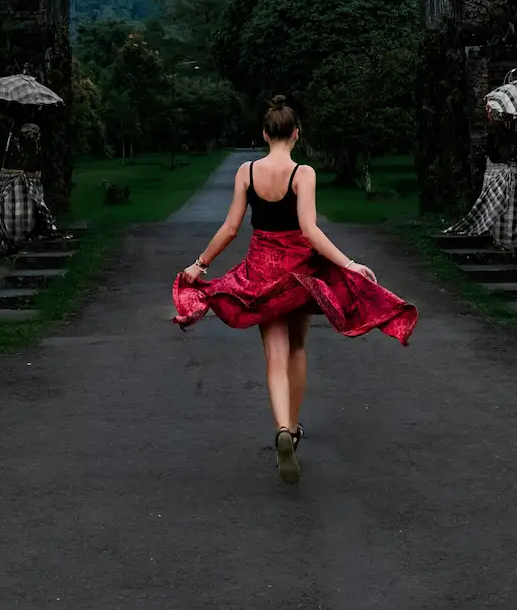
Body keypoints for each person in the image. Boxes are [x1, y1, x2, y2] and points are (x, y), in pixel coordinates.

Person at [172, 96, 418, 486]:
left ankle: (282, 429)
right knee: (298, 348)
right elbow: (309, 230)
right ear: (297, 134)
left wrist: (199, 265)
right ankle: (294, 427)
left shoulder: (247, 172)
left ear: (264, 134)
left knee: (275, 356)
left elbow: (231, 228)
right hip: (299, 274)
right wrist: (349, 264)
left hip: (261, 273)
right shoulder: (303, 173)